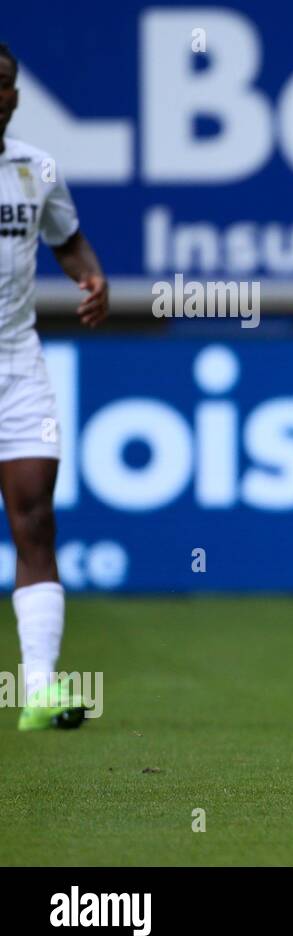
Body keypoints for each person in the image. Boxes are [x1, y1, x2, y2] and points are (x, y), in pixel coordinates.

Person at [0, 42, 109, 731]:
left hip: (16, 362)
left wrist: (90, 279)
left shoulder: (35, 169)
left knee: (35, 518)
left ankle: (37, 688)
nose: (1, 94)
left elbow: (66, 238)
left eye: (6, 84)